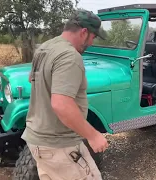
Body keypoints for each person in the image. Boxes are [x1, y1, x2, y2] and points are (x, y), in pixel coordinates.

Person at [21, 9, 108, 180]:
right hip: (59, 145)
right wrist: (93, 135)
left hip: (38, 139)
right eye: (93, 37)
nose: (92, 42)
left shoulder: (45, 47)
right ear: (84, 32)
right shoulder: (70, 56)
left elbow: (32, 78)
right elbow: (61, 104)